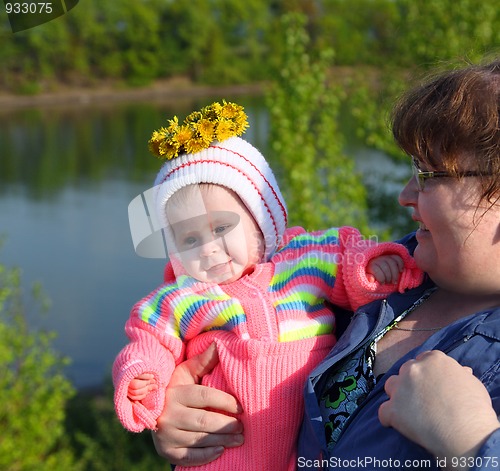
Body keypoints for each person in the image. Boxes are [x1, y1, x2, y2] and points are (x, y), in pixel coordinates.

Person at [151, 60, 500, 470]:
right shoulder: (378, 272)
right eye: (412, 169)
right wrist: (181, 412)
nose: (406, 195)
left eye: (429, 174)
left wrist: (473, 445)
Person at [112, 101, 423, 470]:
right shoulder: (184, 297)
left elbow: (346, 256)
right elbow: (149, 338)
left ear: (262, 222)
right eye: (189, 240)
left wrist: (373, 267)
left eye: (221, 228)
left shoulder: (302, 261)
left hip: (306, 440)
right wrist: (144, 375)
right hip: (227, 448)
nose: (209, 249)